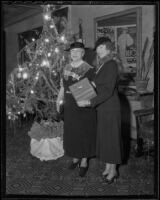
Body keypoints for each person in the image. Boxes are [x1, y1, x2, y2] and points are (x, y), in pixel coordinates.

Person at [78, 37, 123, 184]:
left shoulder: (111, 64)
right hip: (103, 107)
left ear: (109, 49)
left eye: (102, 47)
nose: (99, 50)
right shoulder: (102, 65)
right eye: (98, 47)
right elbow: (99, 85)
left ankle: (114, 170)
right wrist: (85, 86)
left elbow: (108, 91)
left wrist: (90, 101)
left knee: (112, 139)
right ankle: (109, 167)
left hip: (110, 107)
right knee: (106, 138)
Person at [56, 42, 97, 177]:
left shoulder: (89, 69)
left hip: (83, 104)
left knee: (84, 131)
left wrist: (82, 91)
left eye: (78, 51)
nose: (74, 53)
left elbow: (93, 88)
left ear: (83, 53)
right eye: (72, 51)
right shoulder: (66, 67)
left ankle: (84, 160)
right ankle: (75, 157)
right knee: (72, 131)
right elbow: (63, 86)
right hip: (70, 106)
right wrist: (59, 99)